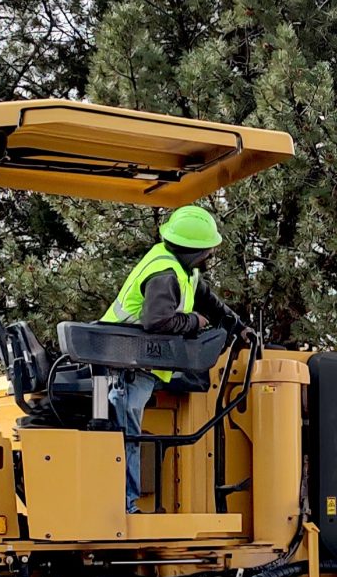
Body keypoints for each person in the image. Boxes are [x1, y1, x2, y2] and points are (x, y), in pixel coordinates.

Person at [100, 204, 250, 512]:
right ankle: (123, 507)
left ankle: (122, 504)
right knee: (126, 436)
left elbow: (211, 302)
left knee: (126, 434)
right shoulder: (165, 274)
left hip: (130, 364)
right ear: (194, 251)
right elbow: (156, 322)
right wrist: (194, 322)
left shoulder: (183, 271)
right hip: (125, 366)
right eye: (208, 251)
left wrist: (239, 327)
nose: (210, 256)